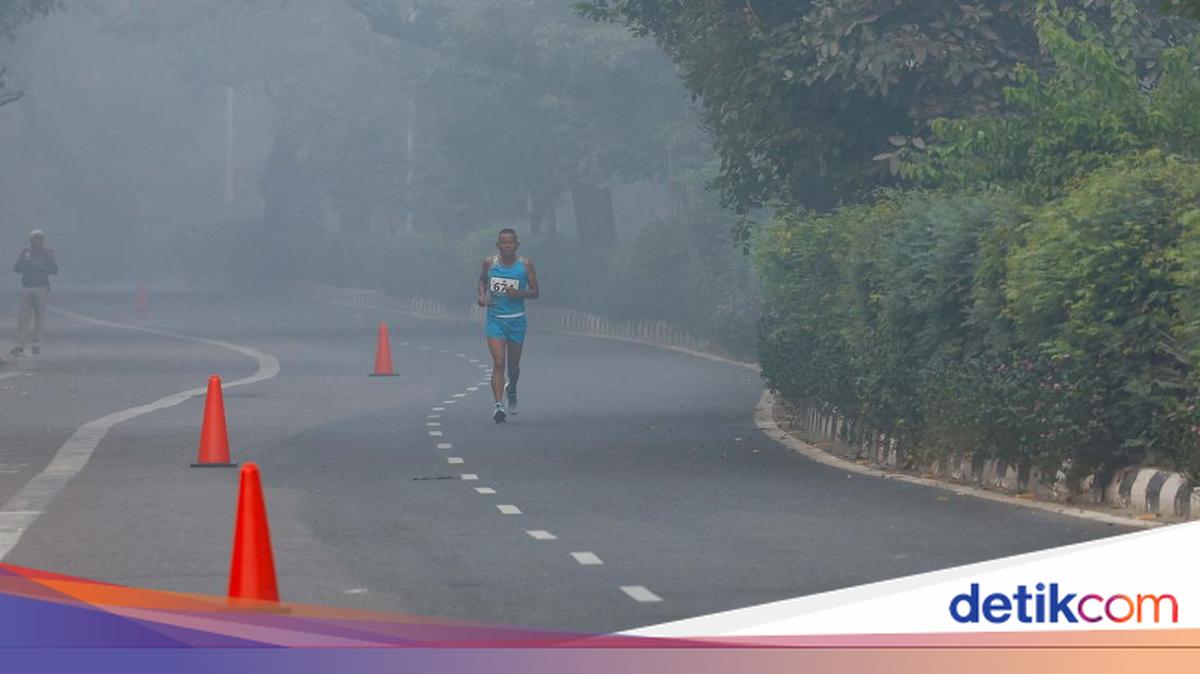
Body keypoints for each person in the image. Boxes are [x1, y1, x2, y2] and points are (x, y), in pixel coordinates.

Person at [477, 228, 538, 423]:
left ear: (517, 245)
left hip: (517, 320)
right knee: (498, 363)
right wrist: (482, 297)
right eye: (504, 243)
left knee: (513, 366)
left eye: (511, 243)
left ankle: (511, 388)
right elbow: (481, 281)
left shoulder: (525, 265)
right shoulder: (490, 263)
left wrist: (518, 294)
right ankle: (497, 405)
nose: (507, 246)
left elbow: (535, 291)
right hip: (495, 319)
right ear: (498, 246)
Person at [11, 229, 58, 357]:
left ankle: (36, 343)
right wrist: (27, 265)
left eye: (39, 238)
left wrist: (39, 267)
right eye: (35, 239)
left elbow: (54, 269)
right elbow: (16, 268)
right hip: (27, 287)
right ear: (31, 240)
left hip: (41, 287)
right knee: (23, 318)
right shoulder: (26, 252)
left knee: (39, 317)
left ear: (43, 240)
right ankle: (20, 344)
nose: (37, 241)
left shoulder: (47, 253)